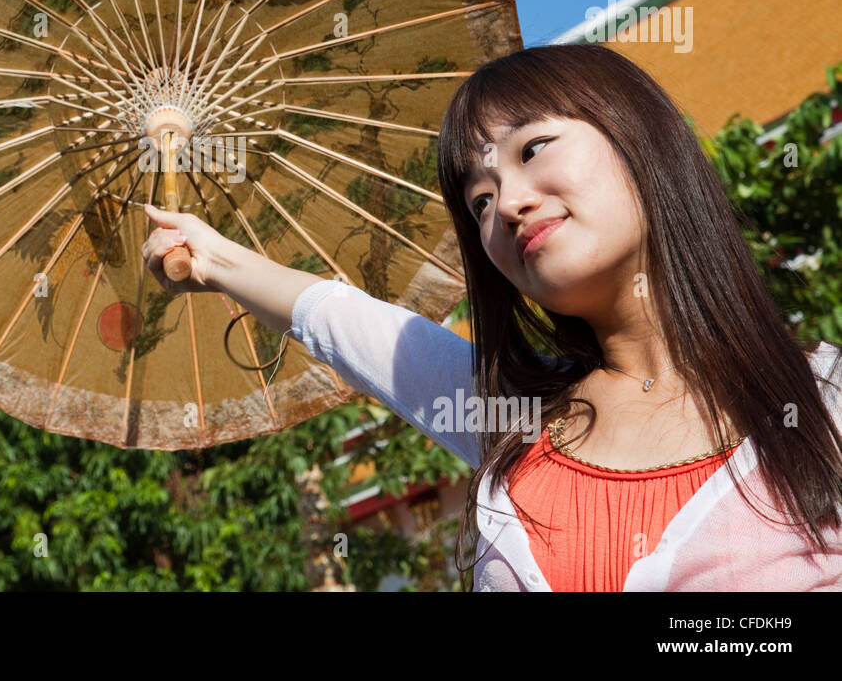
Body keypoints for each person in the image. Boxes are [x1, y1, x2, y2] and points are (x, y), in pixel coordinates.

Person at [140, 43, 842, 591]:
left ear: (640, 137)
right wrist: (209, 259)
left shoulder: (823, 398)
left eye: (533, 149)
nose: (507, 205)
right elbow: (351, 324)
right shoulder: (512, 421)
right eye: (480, 199)